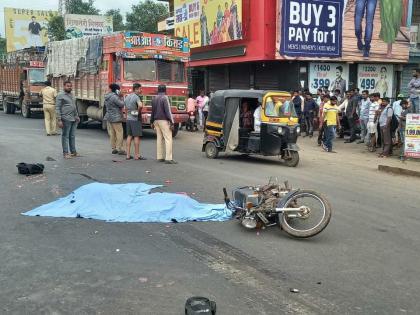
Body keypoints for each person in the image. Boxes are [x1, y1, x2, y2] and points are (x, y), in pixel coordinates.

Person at [151, 85, 177, 164]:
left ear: (158, 90)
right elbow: (168, 111)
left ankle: (160, 157)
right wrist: (172, 122)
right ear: (165, 90)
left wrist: (151, 121)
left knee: (159, 139)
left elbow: (152, 111)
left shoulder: (154, 98)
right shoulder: (165, 98)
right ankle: (168, 158)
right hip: (164, 121)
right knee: (168, 139)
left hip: (156, 121)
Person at [56, 81, 80, 159]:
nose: (69, 87)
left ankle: (73, 152)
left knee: (72, 136)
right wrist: (59, 119)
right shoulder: (60, 95)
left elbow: (74, 106)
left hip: (73, 118)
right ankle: (65, 153)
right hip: (65, 118)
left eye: (70, 86)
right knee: (65, 136)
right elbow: (57, 108)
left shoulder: (72, 95)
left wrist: (77, 116)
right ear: (64, 86)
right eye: (67, 86)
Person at [125, 83, 146, 161]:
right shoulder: (137, 97)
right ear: (136, 89)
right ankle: (137, 155)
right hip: (135, 119)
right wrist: (138, 111)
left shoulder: (127, 96)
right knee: (136, 136)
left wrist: (127, 115)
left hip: (128, 118)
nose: (141, 90)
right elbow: (140, 105)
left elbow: (125, 107)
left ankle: (128, 155)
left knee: (129, 136)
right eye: (140, 89)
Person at [104, 83, 125, 155]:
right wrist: (121, 97)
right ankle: (120, 148)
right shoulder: (114, 97)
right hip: (116, 117)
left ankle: (114, 147)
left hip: (109, 116)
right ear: (116, 90)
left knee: (112, 133)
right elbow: (122, 104)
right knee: (119, 133)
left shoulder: (107, 96)